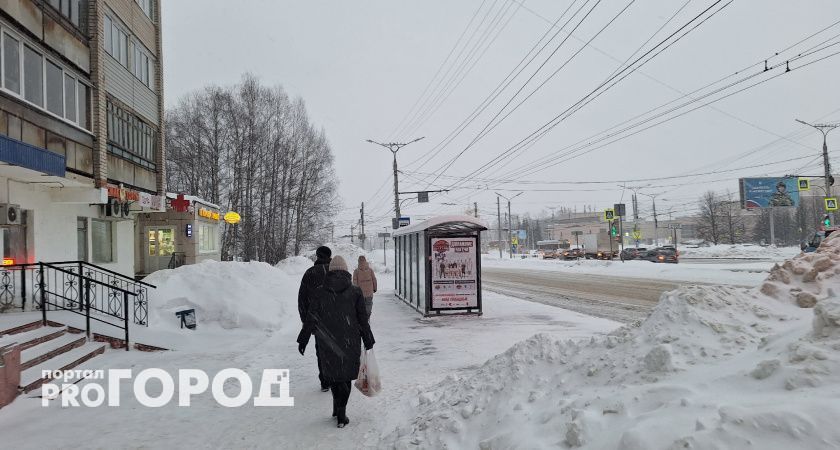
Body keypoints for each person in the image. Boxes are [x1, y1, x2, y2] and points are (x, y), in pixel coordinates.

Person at [297, 256, 375, 428]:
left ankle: (337, 407)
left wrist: (303, 339)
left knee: (333, 376)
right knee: (345, 377)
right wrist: (368, 339)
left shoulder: (319, 292)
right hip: (349, 341)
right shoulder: (355, 292)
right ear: (346, 270)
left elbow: (311, 318)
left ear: (330, 271)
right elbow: (362, 320)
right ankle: (341, 412)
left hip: (327, 341)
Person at [297, 245, 332, 391]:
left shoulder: (309, 273)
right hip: (337, 318)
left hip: (316, 320)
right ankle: (336, 377)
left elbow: (302, 299)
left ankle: (325, 380)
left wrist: (306, 321)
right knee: (336, 348)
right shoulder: (335, 272)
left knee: (321, 350)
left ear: (317, 256)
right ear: (329, 256)